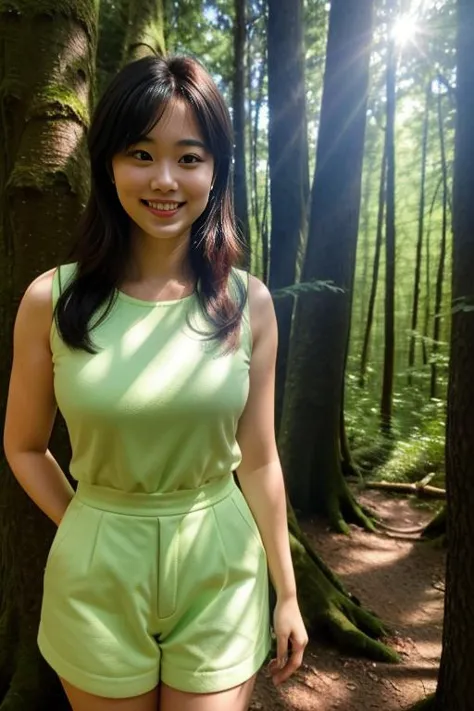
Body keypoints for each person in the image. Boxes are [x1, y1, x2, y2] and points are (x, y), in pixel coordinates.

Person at [3, 54, 308, 711]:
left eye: (189, 157)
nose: (165, 179)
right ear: (108, 162)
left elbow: (259, 460)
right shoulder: (49, 301)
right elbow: (25, 445)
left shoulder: (247, 302)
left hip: (221, 566)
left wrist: (286, 591)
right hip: (97, 572)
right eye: (140, 153)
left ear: (215, 169)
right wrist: (88, 521)